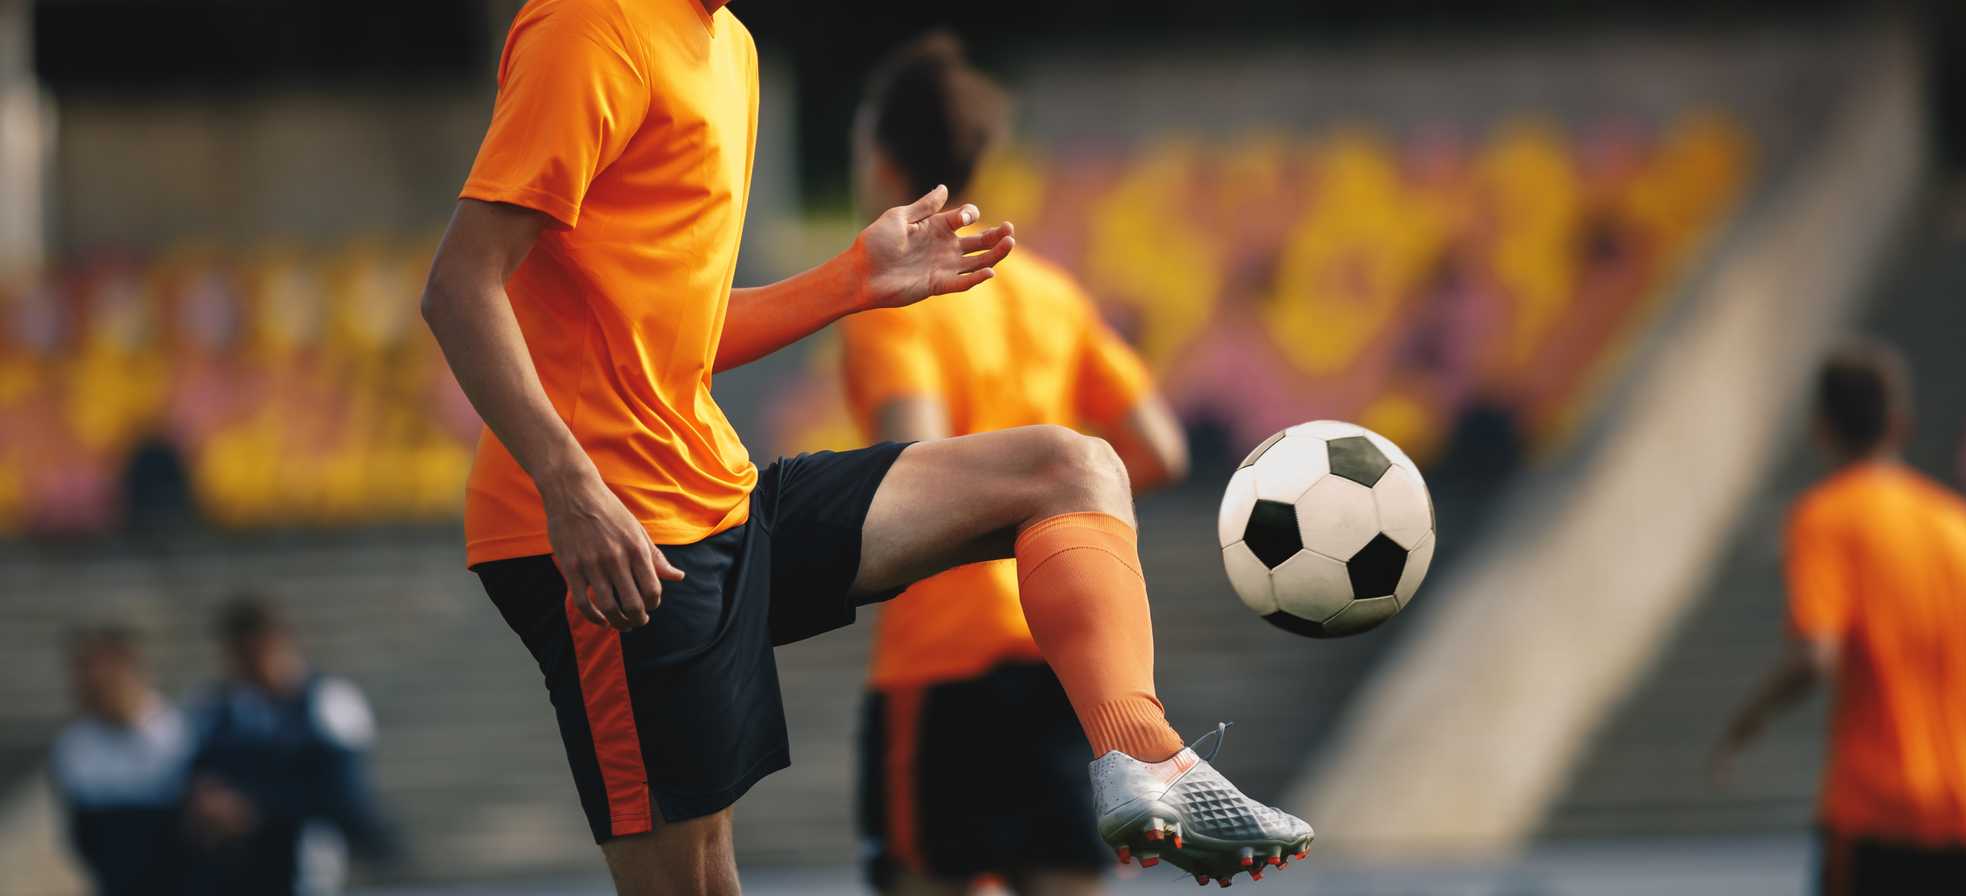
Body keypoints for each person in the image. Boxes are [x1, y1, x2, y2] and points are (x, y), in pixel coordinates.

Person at [419, 1, 1311, 893]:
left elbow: (667, 336)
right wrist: (569, 485)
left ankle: (1146, 757)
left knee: (1073, 468)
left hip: (717, 502)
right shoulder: (589, 23)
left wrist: (852, 279)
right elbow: (461, 285)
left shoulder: (731, 46)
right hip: (614, 536)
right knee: (693, 880)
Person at [841, 34, 1191, 896]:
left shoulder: (894, 296)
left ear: (883, 163)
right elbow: (1160, 448)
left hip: (942, 660)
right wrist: (1039, 527)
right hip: (1060, 651)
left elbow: (917, 459)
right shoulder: (1049, 293)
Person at [1714, 342, 1966, 896]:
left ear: (1821, 429)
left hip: (1875, 807)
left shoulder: (1828, 516)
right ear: (1901, 424)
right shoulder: (1964, 530)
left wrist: (1746, 721)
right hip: (1963, 809)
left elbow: (1815, 655)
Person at [183, 597, 396, 895]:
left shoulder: (329, 702)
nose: (252, 666)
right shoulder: (217, 709)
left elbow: (343, 797)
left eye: (258, 652)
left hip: (308, 860)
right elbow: (196, 775)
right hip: (237, 868)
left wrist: (255, 808)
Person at [51, 625, 193, 896]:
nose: (92, 685)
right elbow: (84, 837)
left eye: (103, 676)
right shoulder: (74, 747)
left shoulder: (179, 734)